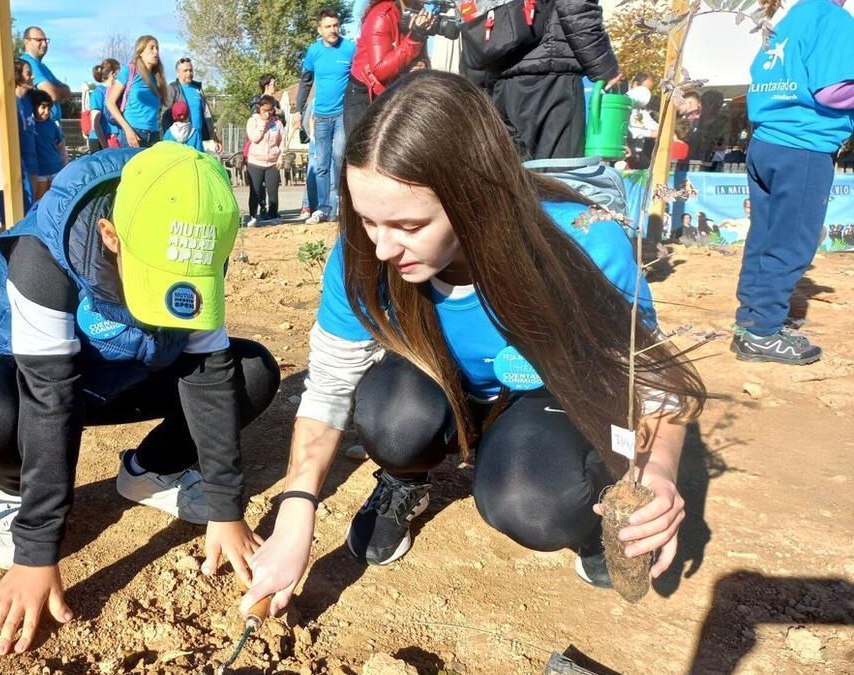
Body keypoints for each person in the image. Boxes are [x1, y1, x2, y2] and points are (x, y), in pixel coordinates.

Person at [239, 71, 707, 619]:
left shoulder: (579, 241)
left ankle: (581, 494)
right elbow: (328, 391)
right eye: (367, 220)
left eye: (410, 225)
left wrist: (656, 472)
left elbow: (650, 382)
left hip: (545, 390)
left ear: (475, 197)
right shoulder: (361, 255)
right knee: (390, 416)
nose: (383, 247)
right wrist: (297, 513)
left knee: (532, 502)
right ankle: (404, 479)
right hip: (437, 382)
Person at [0, 142, 280, 656]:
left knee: (250, 374)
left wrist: (225, 506)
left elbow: (209, 372)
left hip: (133, 372)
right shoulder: (47, 253)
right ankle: (16, 491)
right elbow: (49, 398)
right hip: (38, 383)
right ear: (111, 236)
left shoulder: (194, 228)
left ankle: (151, 470)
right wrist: (36, 551)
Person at [731, 0, 854, 365]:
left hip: (766, 142)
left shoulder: (790, 18)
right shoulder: (833, 18)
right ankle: (762, 333)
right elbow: (831, 90)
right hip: (804, 146)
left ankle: (749, 322)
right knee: (792, 244)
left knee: (764, 237)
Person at [460, 0, 621, 159]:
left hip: (499, 78)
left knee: (514, 174)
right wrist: (604, 66)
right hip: (553, 77)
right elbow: (576, 6)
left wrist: (475, 86)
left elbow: (470, 20)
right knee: (558, 176)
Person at [297, 7, 356, 225]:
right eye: (328, 27)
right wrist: (299, 108)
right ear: (320, 29)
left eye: (335, 25)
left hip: (343, 114)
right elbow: (305, 80)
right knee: (321, 163)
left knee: (340, 156)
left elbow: (360, 79)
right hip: (321, 116)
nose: (333, 30)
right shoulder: (314, 51)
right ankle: (322, 208)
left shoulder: (350, 49)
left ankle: (341, 204)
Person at [346, 0, 433, 132]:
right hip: (365, 92)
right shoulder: (381, 15)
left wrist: (423, 65)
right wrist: (416, 37)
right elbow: (380, 70)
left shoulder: (418, 14)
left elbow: (420, 56)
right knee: (360, 150)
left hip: (395, 88)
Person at [106, 35, 167, 149]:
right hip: (134, 133)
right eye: (151, 48)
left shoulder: (157, 77)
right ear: (141, 52)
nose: (156, 52)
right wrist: (128, 130)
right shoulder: (129, 71)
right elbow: (110, 102)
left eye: (157, 48)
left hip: (154, 135)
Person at [245, 95, 287, 227]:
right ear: (259, 108)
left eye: (270, 110)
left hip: (272, 162)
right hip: (255, 162)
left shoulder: (277, 123)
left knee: (273, 191)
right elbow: (255, 138)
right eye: (265, 110)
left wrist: (281, 156)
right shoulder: (253, 121)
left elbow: (282, 142)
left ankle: (273, 214)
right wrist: (263, 123)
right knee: (255, 191)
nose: (268, 113)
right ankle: (253, 215)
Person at [163, 57, 219, 153]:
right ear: (177, 73)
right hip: (179, 144)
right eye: (185, 71)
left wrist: (214, 138)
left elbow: (207, 116)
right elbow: (164, 116)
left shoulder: (198, 90)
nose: (189, 73)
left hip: (197, 141)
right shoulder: (172, 89)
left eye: (191, 70)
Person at [19, 26, 72, 127]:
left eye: (45, 40)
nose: (44, 44)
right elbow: (52, 95)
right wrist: (57, 90)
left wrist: (55, 90)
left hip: (51, 126)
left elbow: (67, 91)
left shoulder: (42, 66)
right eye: (39, 40)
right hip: (42, 125)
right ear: (26, 41)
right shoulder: (28, 63)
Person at [29, 89, 66, 202]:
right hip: (40, 171)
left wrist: (65, 165)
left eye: (49, 108)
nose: (46, 111)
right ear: (34, 107)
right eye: (43, 107)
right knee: (39, 202)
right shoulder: (29, 125)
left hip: (56, 168)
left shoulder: (52, 125)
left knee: (53, 201)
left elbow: (61, 146)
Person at [16, 59, 40, 214]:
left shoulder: (28, 101)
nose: (32, 77)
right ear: (17, 75)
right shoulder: (12, 102)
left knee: (31, 206)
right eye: (28, 74)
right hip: (19, 163)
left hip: (33, 161)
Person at [89, 59, 122, 153]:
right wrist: (105, 147)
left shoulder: (115, 92)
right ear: (113, 74)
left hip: (113, 138)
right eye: (120, 73)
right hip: (100, 140)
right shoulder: (98, 92)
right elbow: (95, 123)